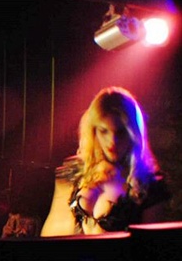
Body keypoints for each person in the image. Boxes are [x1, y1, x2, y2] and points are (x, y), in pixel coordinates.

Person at [41, 87, 169, 236]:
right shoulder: (74, 170)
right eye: (104, 131)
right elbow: (53, 230)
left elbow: (150, 244)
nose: (112, 141)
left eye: (120, 132)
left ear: (133, 133)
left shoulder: (150, 184)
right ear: (93, 131)